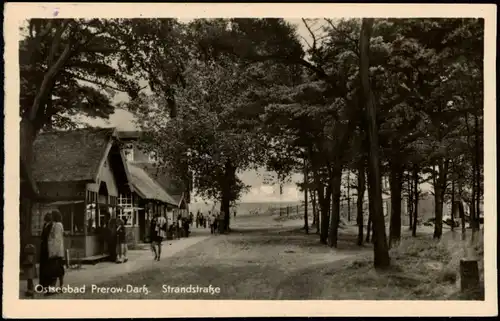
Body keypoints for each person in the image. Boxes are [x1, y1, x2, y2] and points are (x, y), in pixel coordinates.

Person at [47, 211, 65, 293]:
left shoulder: (57, 225)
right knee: (59, 270)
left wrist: (54, 252)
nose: (51, 217)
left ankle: (53, 288)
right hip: (57, 252)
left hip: (56, 252)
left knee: (55, 270)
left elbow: (57, 239)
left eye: (52, 215)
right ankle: (60, 287)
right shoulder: (58, 225)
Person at [39, 212, 53, 293]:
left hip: (47, 248)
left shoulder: (51, 225)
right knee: (43, 266)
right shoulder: (45, 225)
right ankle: (42, 285)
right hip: (43, 247)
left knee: (47, 267)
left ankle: (47, 285)